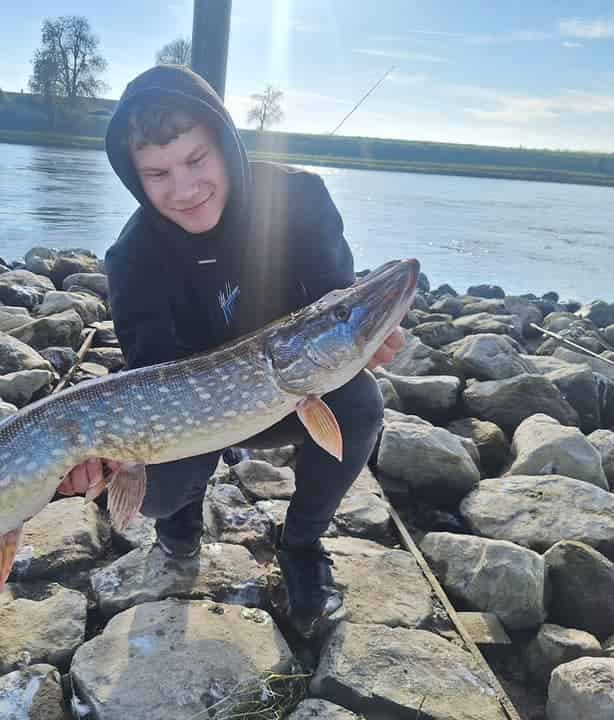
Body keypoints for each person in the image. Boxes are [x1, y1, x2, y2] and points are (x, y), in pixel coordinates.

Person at [57, 64, 405, 637]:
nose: (185, 188)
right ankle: (179, 529)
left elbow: (332, 308)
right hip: (189, 419)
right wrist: (99, 460)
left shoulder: (300, 198)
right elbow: (151, 380)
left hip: (290, 390)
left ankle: (300, 545)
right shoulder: (132, 258)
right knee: (156, 489)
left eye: (197, 160)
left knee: (361, 404)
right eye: (158, 174)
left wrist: (364, 344)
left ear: (224, 142)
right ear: (135, 179)